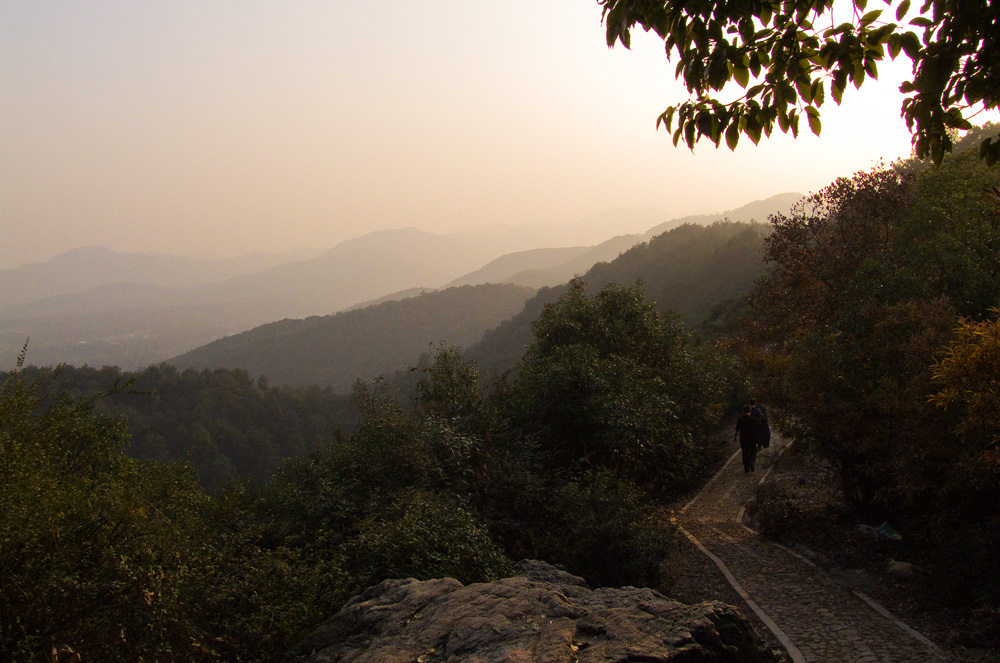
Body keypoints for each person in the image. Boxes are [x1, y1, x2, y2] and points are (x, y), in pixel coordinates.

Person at [734, 405, 761, 473]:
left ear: (744, 411)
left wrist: (735, 437)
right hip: (752, 438)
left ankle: (746, 467)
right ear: (750, 411)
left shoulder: (740, 420)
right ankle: (752, 462)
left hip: (743, 438)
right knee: (753, 451)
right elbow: (758, 429)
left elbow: (737, 430)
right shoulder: (754, 420)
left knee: (744, 453)